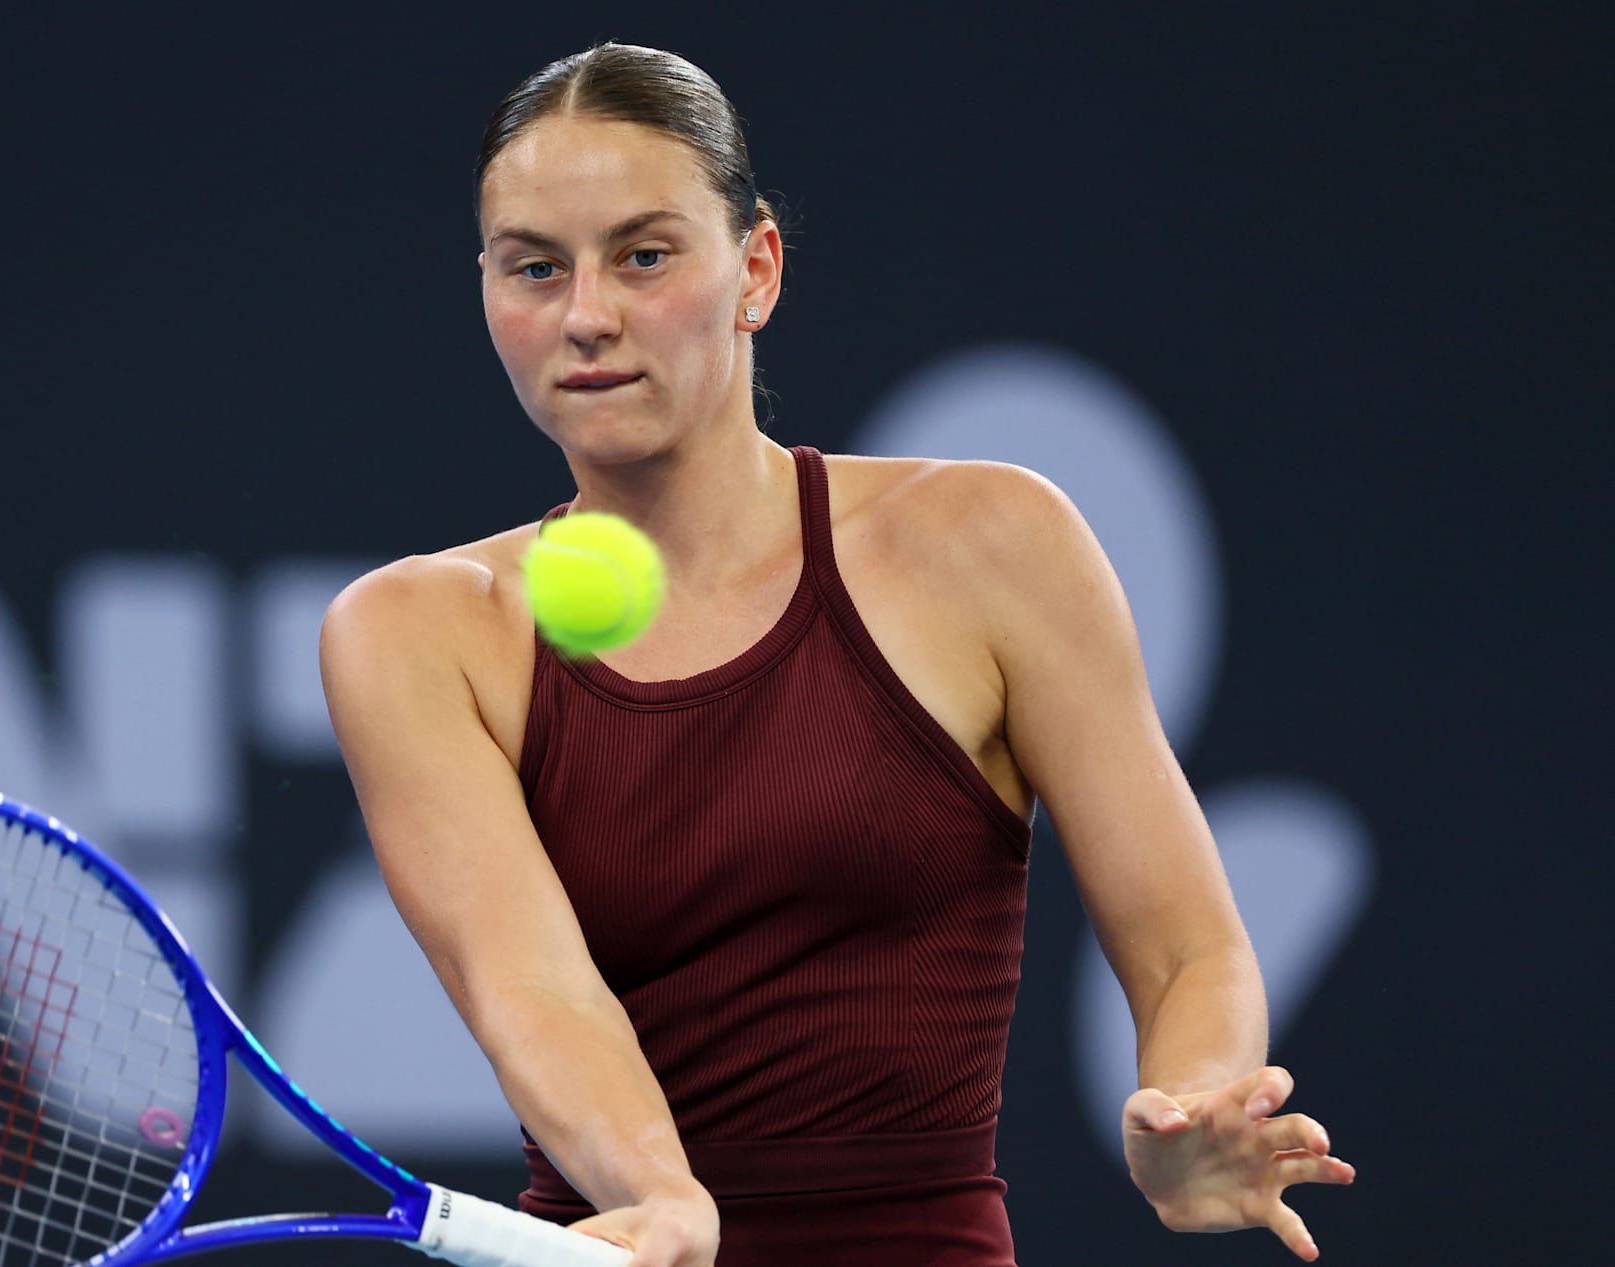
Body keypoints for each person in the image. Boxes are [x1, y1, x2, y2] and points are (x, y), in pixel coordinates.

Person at [321, 42, 1355, 1267]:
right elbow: (530, 988)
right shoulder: (413, 630)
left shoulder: (992, 541)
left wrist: (1190, 1102)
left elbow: (1188, 946)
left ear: (755, 268)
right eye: (534, 267)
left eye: (644, 255)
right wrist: (662, 1194)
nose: (587, 314)